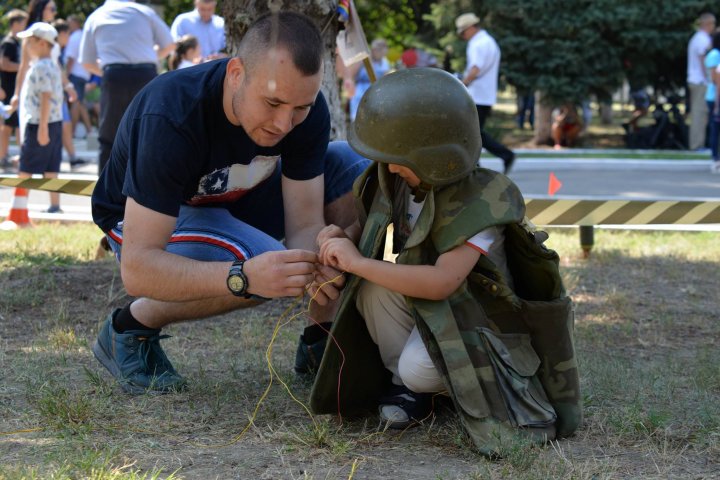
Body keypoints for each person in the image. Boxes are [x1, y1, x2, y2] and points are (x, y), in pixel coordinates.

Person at [89, 12, 369, 394]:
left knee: (359, 172)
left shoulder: (308, 109)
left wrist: (319, 264)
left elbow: (304, 225)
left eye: (299, 108)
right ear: (236, 73)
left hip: (239, 199)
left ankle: (322, 339)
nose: (284, 124)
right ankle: (130, 325)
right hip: (140, 221)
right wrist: (245, 276)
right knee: (263, 264)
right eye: (272, 103)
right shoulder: (171, 113)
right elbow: (138, 268)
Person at [308, 68, 581, 454]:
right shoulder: (402, 178)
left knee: (416, 367)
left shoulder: (480, 201)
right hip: (437, 310)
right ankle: (411, 388)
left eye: (396, 158)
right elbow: (365, 223)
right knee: (373, 294)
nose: (387, 166)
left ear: (437, 156)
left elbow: (443, 282)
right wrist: (339, 237)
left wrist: (355, 263)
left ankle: (428, 383)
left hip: (479, 322)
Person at [80, 0, 175, 173]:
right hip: (145, 75)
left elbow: (86, 61)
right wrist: (152, 57)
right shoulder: (145, 12)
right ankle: (149, 190)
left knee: (109, 137)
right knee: (148, 133)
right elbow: (169, 44)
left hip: (113, 76)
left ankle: (106, 192)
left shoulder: (96, 16)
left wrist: (106, 70)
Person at [456, 12, 515, 174]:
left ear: (471, 28)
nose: (463, 36)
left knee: (470, 133)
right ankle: (479, 164)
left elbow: (475, 68)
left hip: (476, 95)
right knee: (474, 133)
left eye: (463, 32)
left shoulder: (478, 43)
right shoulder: (488, 41)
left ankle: (491, 161)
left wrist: (462, 84)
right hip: (485, 95)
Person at [16, 22, 64, 213]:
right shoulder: (51, 65)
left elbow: (45, 95)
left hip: (39, 123)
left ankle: (18, 209)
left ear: (42, 43)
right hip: (55, 122)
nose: (26, 46)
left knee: (25, 167)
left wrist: (42, 127)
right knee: (51, 167)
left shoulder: (41, 67)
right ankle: (54, 204)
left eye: (30, 42)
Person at [52, 18, 87, 170]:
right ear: (61, 33)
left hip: (57, 94)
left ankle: (71, 158)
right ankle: (65, 159)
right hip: (53, 95)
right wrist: (68, 86)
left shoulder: (55, 49)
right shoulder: (53, 48)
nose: (69, 38)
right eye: (68, 34)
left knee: (65, 125)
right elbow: (58, 70)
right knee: (63, 126)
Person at [0, 9, 28, 170]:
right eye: (23, 23)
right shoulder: (9, 42)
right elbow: (3, 64)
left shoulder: (16, 42)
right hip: (8, 89)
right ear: (16, 24)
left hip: (15, 89)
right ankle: (2, 156)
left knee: (16, 125)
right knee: (7, 126)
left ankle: (17, 155)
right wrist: (24, 67)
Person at [687, 12, 715, 151]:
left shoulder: (698, 38)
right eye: (713, 24)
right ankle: (697, 145)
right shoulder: (702, 39)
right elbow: (703, 60)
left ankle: (699, 143)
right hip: (700, 81)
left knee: (701, 113)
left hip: (698, 80)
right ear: (707, 24)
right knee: (699, 113)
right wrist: (710, 79)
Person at [344, 38, 390, 121]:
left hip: (376, 90)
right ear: (374, 49)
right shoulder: (363, 60)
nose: (382, 53)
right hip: (360, 90)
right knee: (358, 117)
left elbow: (386, 78)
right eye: (379, 50)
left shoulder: (384, 62)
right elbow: (351, 75)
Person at [64, 15, 92, 140]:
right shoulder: (84, 36)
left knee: (74, 102)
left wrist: (65, 75)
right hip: (84, 74)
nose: (68, 25)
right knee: (80, 103)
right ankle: (89, 130)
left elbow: (70, 58)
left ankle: (72, 132)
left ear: (76, 23)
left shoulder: (74, 37)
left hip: (75, 74)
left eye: (69, 23)